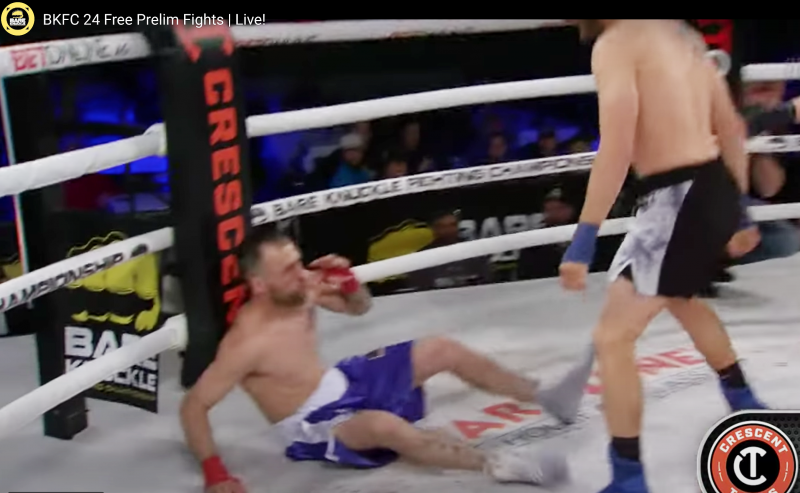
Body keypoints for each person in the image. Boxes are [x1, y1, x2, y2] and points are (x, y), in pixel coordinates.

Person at [180, 228, 592, 493]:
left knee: (440, 348)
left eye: (298, 262)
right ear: (258, 284)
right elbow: (193, 406)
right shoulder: (246, 343)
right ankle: (502, 465)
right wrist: (215, 473)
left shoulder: (300, 289)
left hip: (344, 381)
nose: (301, 273)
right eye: (288, 270)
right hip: (314, 422)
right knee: (385, 427)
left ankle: (548, 396)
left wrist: (350, 284)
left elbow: (360, 308)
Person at [558, 20, 766, 493]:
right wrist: (739, 208)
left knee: (613, 338)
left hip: (676, 200)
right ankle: (746, 402)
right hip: (709, 187)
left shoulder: (616, 43)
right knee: (681, 297)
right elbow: (729, 127)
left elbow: (617, 146)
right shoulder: (683, 35)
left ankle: (629, 479)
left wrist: (584, 236)